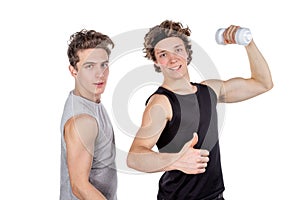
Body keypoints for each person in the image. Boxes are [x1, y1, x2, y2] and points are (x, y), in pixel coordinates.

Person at [127, 20, 273, 200]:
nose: (173, 59)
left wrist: (248, 43)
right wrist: (175, 161)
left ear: (187, 53)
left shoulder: (209, 91)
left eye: (178, 49)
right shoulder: (161, 103)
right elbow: (134, 157)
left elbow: (262, 83)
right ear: (156, 62)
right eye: (163, 54)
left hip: (215, 196)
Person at [60, 29, 117, 200]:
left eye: (104, 64)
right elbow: (79, 187)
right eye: (89, 66)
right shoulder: (82, 121)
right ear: (73, 71)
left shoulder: (90, 101)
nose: (100, 73)